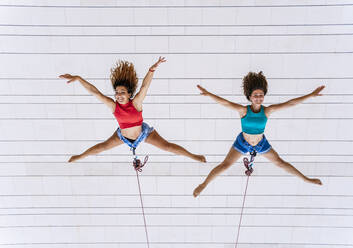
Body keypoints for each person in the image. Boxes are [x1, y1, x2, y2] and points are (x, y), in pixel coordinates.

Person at [193, 71, 323, 197]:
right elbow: (225, 102)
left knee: (280, 162)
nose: (258, 98)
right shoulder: (243, 110)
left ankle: (306, 179)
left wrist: (311, 95)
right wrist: (208, 94)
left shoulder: (267, 111)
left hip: (261, 144)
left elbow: (291, 103)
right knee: (225, 165)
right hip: (243, 143)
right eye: (255, 95)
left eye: (261, 95)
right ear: (250, 97)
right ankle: (204, 184)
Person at [59, 57, 206, 164]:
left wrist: (151, 70)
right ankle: (79, 157)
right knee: (103, 146)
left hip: (143, 133)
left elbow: (144, 87)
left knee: (167, 146)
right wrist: (78, 78)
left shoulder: (135, 103)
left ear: (129, 94)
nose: (119, 95)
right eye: (117, 93)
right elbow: (96, 93)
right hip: (123, 137)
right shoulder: (114, 106)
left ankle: (194, 156)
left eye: (122, 92)